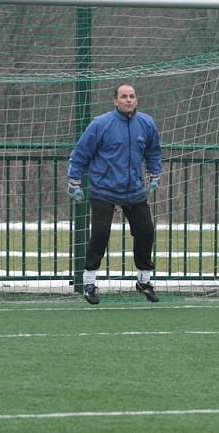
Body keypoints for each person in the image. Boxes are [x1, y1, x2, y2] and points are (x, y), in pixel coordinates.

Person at [68, 83, 162, 305]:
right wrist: (74, 181)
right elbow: (81, 152)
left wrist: (155, 173)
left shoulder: (146, 123)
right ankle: (89, 282)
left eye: (131, 96)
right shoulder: (101, 124)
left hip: (134, 190)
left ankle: (144, 280)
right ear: (115, 101)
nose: (128, 100)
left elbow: (153, 151)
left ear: (136, 100)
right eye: (123, 96)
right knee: (100, 233)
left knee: (146, 231)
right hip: (104, 189)